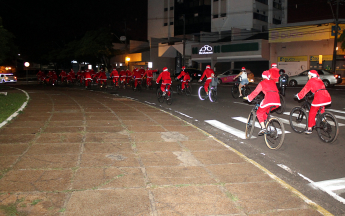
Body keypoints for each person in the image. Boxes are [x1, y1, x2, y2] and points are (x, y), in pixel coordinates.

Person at [295, 70, 331, 134]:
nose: (308, 76)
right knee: (321, 109)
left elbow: (305, 89)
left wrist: (298, 96)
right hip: (327, 97)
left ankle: (309, 129)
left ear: (311, 75)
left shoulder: (311, 81)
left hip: (319, 98)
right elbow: (318, 89)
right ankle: (323, 119)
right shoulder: (319, 80)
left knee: (312, 113)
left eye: (308, 75)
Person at [245, 70, 281, 136]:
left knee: (259, 112)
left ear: (263, 76)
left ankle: (263, 128)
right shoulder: (273, 81)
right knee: (266, 111)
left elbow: (255, 92)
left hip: (268, 100)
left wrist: (249, 98)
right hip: (277, 101)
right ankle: (267, 123)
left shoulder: (262, 83)